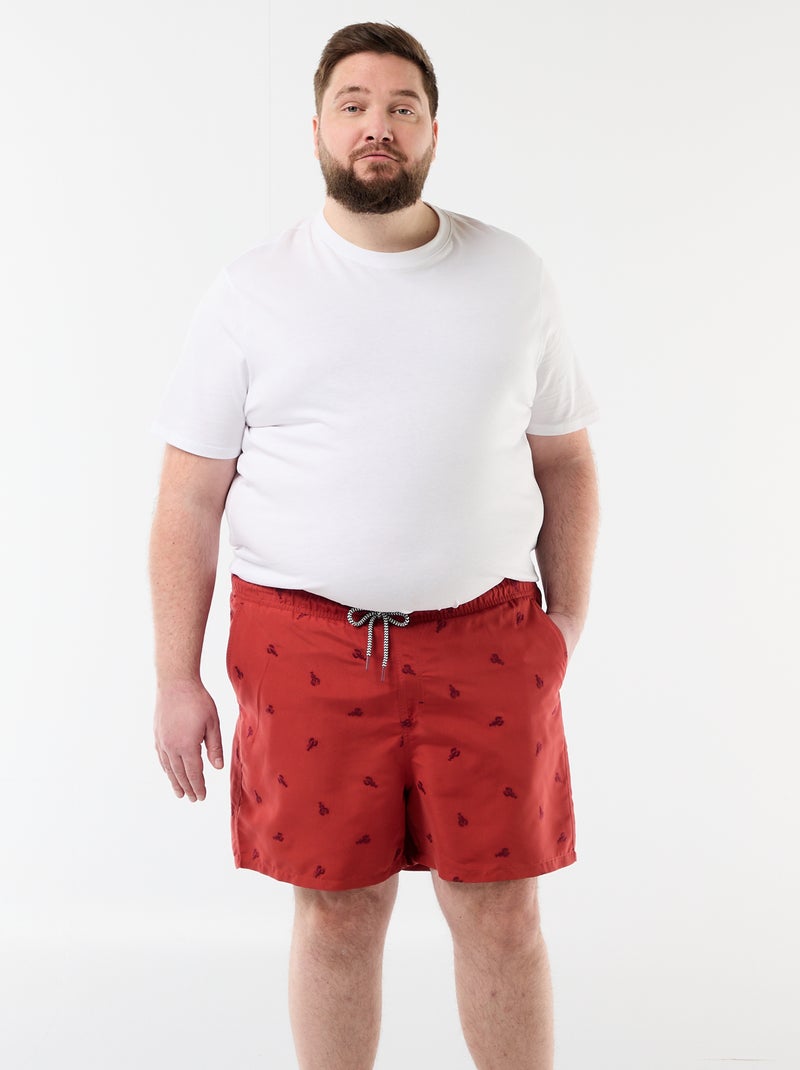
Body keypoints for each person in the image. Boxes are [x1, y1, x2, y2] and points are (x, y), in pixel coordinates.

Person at [150, 21, 599, 1070]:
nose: (377, 126)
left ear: (433, 130)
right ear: (316, 128)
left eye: (402, 107)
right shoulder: (251, 291)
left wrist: (566, 622)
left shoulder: (512, 275)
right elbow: (187, 498)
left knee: (500, 911)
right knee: (337, 915)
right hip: (303, 643)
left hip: (487, 642)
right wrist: (175, 676)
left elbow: (567, 462)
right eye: (353, 104)